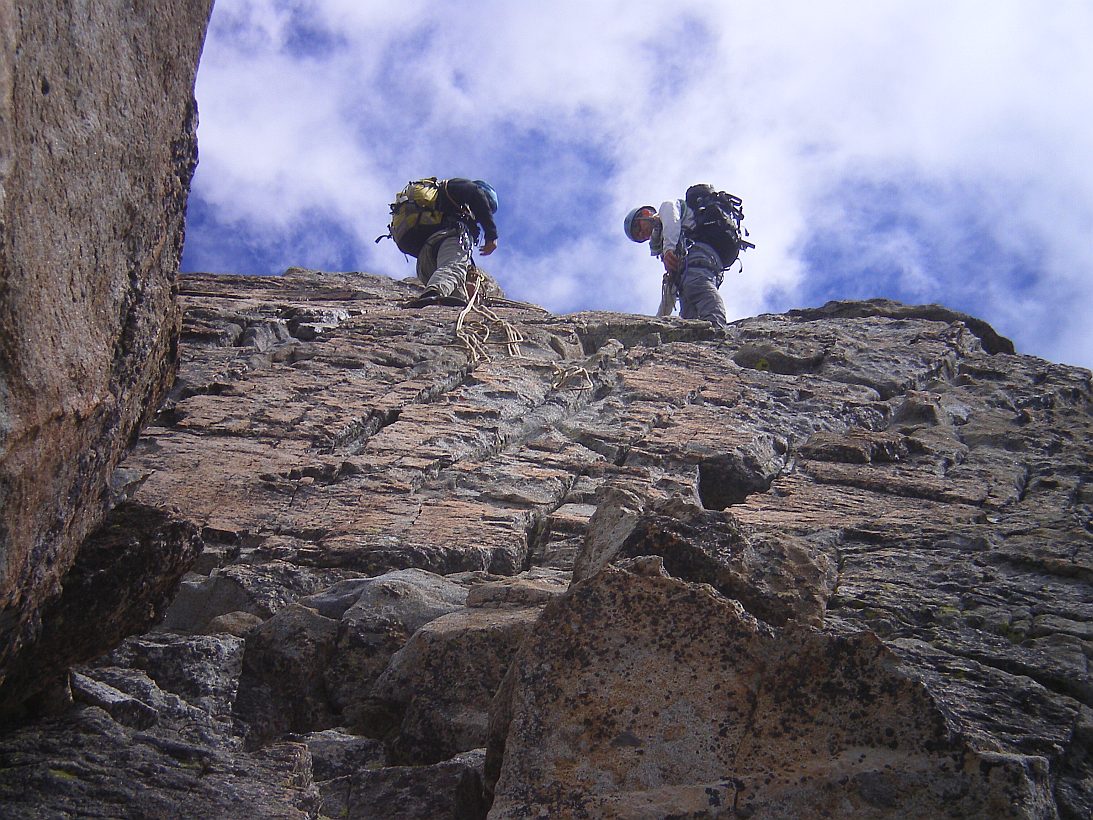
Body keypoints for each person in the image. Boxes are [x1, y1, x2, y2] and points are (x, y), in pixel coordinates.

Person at [624, 195, 728, 327]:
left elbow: (671, 222)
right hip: (697, 263)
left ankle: (717, 326)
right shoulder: (662, 239)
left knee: (697, 285)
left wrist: (669, 249)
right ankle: (701, 335)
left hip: (698, 254)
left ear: (645, 213)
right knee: (687, 305)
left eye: (637, 228)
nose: (641, 234)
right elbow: (671, 287)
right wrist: (657, 321)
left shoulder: (666, 208)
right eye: (638, 237)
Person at [405, 178, 499, 308]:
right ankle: (433, 293)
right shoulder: (467, 188)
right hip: (449, 240)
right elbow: (476, 193)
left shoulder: (445, 203)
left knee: (457, 298)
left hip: (425, 261)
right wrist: (491, 235)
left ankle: (440, 300)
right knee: (454, 268)